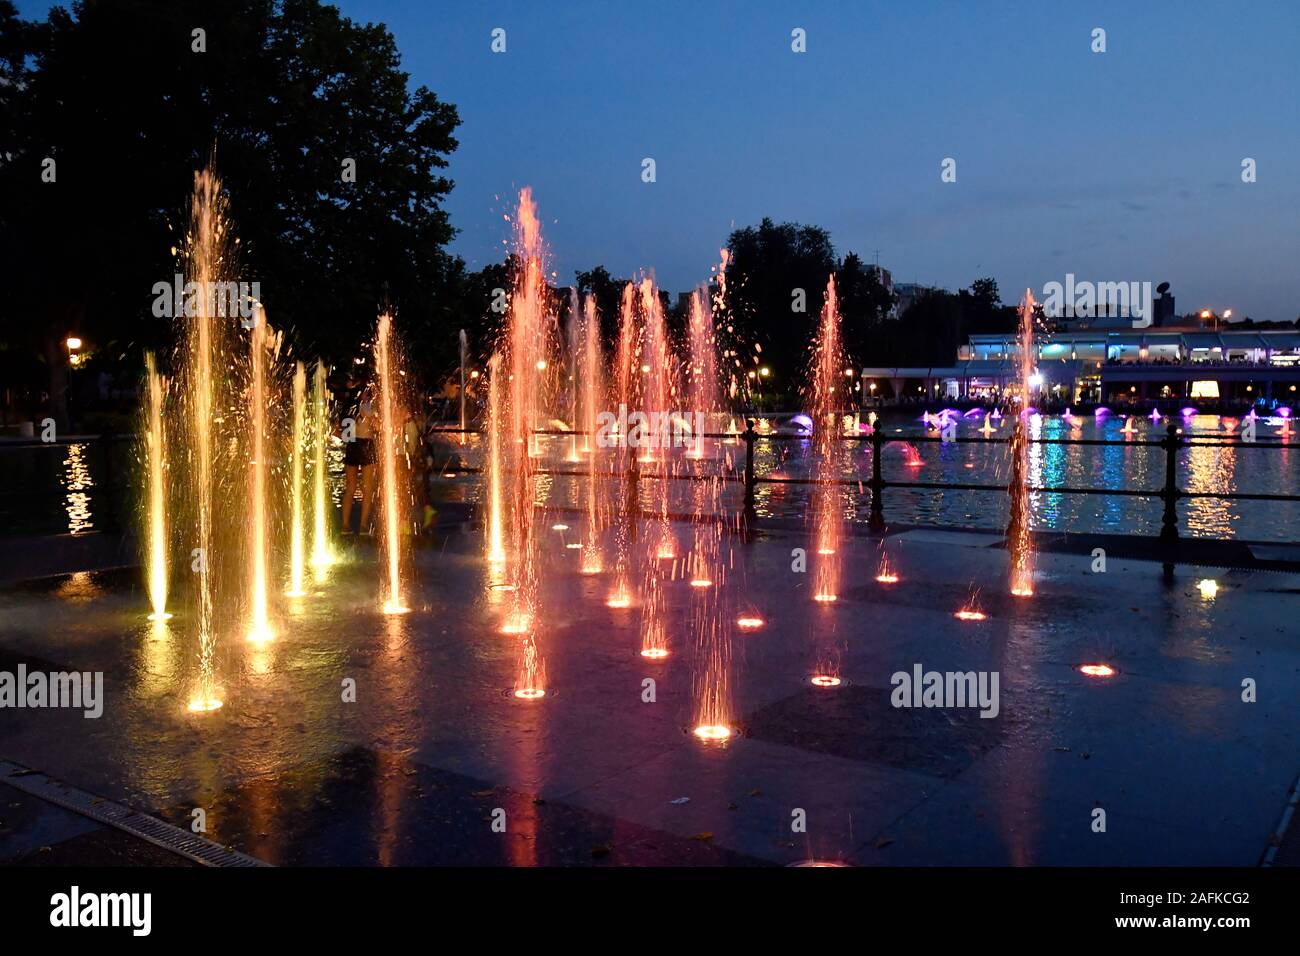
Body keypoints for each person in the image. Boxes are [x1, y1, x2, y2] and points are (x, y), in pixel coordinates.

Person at [339, 374, 378, 535]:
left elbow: (343, 434)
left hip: (352, 446)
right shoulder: (368, 407)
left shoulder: (348, 408)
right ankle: (362, 525)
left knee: (350, 487)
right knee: (367, 488)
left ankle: (345, 525)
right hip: (366, 444)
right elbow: (378, 424)